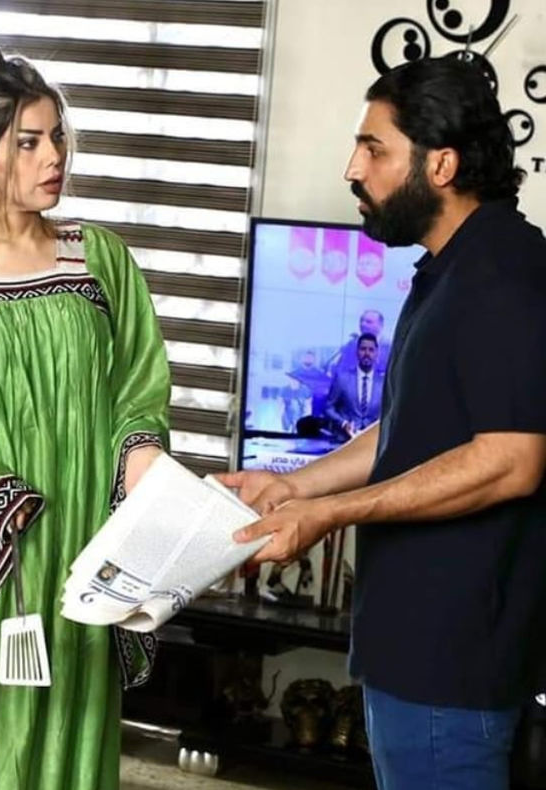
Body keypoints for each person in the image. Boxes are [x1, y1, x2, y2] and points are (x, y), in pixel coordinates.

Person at [219, 56, 546, 790]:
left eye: (374, 149)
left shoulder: (502, 276)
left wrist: (329, 514)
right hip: (414, 653)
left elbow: (511, 459)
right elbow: (410, 428)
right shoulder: (450, 268)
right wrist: (294, 486)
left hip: (451, 667)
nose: (352, 169)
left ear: (441, 165)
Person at [0, 42, 170, 790]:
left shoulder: (101, 261)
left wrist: (141, 453)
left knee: (69, 736)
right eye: (28, 142)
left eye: (57, 136)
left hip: (84, 546)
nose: (54, 155)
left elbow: (137, 386)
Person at [324, 333, 383, 441]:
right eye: (363, 349)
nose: (367, 353)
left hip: (373, 442)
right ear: (357, 352)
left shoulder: (383, 383)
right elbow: (328, 408)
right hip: (344, 441)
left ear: (376, 353)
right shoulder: (342, 378)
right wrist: (343, 423)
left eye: (371, 350)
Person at [334, 309, 391, 375]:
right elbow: (340, 368)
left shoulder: (389, 347)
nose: (363, 324)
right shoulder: (351, 345)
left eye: (368, 322)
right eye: (361, 321)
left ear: (380, 325)